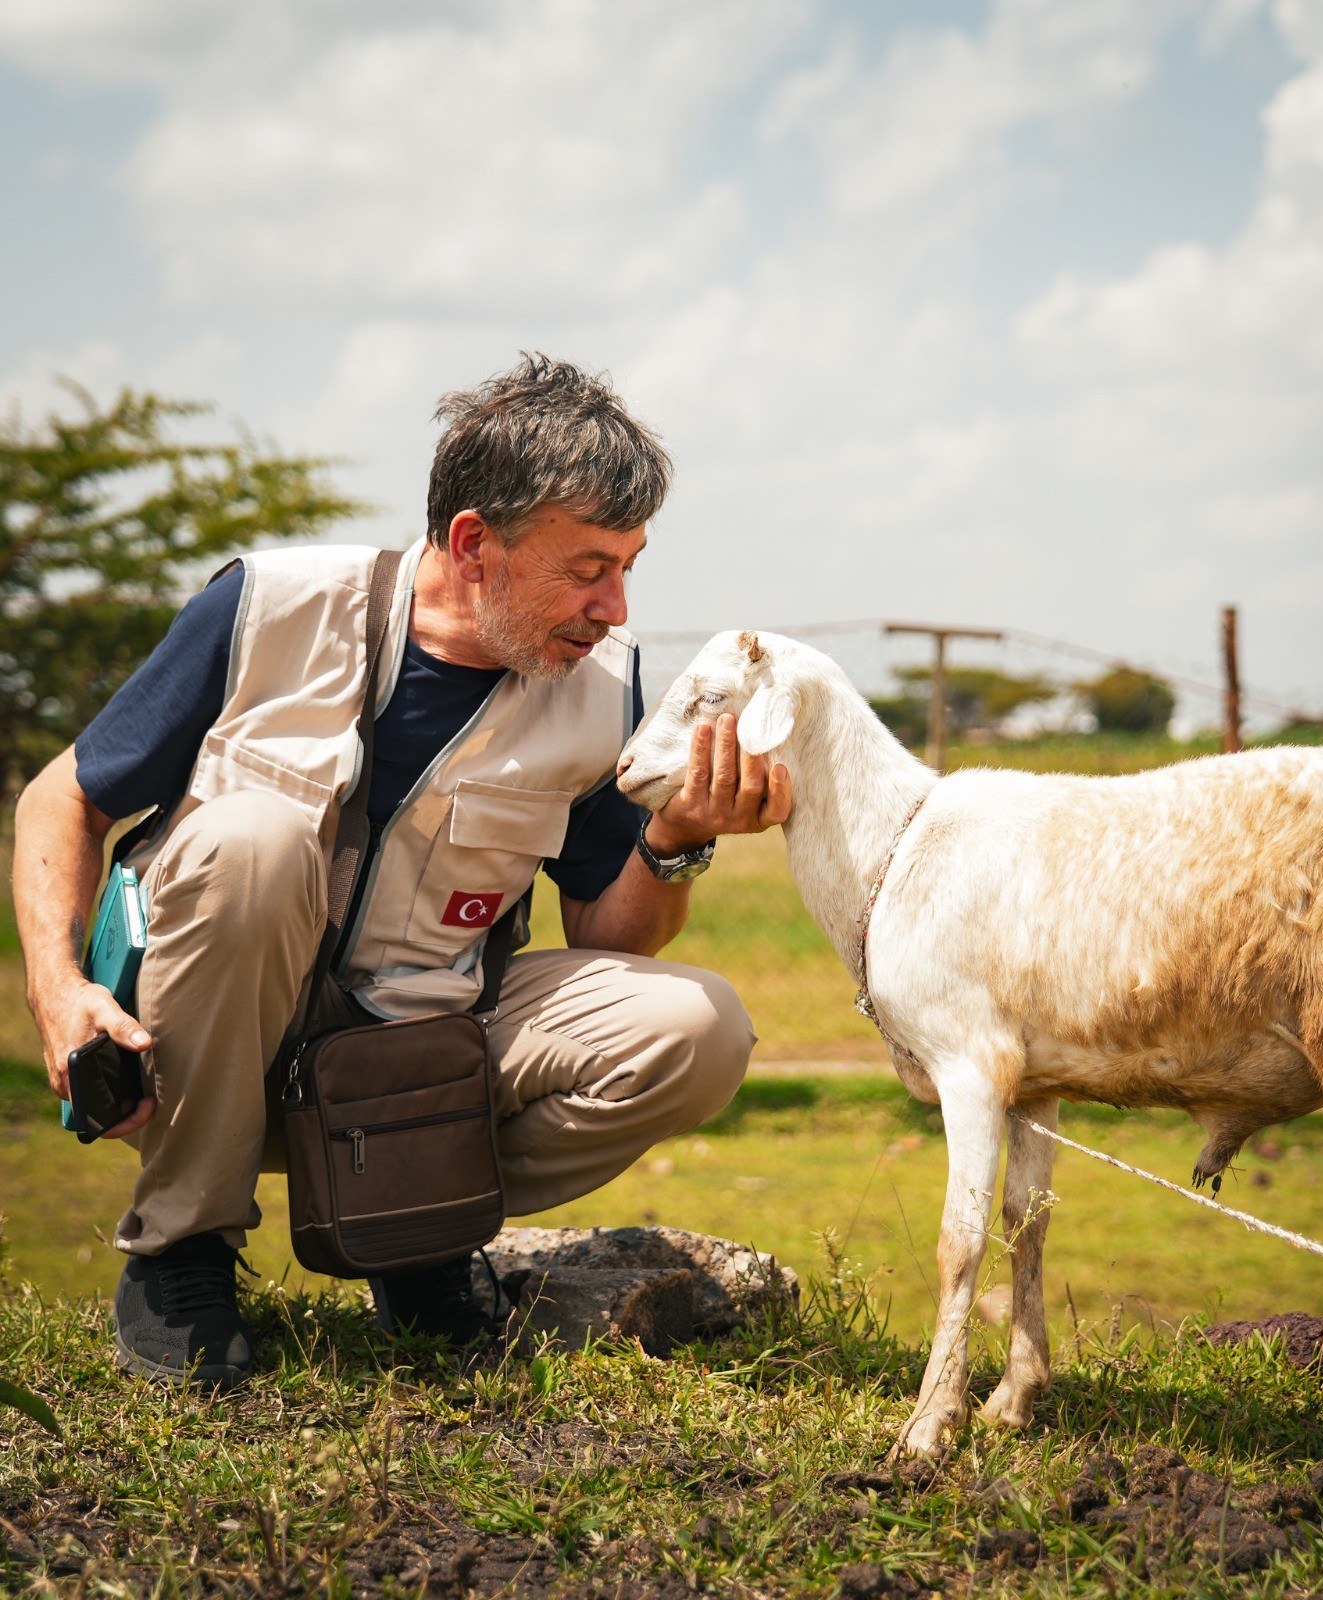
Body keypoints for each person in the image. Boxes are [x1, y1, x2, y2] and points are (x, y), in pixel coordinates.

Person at [11, 354, 790, 1389]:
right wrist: (59, 991)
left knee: (698, 1027)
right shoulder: (268, 605)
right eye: (587, 567)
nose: (613, 606)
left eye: (628, 567)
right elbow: (63, 796)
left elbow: (612, 939)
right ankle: (180, 1247)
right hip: (197, 1049)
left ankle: (419, 1229)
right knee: (253, 842)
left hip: (417, 1053)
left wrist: (679, 833)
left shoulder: (606, 693)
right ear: (474, 543)